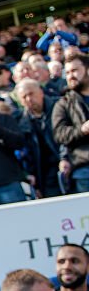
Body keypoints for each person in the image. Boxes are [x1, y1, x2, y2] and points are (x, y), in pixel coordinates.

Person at [52, 54, 89, 193]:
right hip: (84, 167)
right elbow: (59, 134)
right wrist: (82, 129)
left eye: (74, 70)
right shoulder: (63, 104)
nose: (70, 76)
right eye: (67, 72)